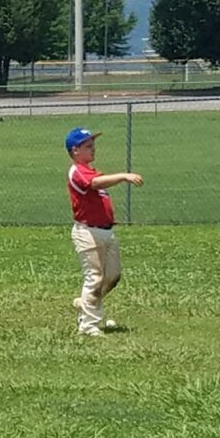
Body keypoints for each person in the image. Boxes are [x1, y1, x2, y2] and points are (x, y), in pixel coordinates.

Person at [65, 128, 144, 337]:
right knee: (95, 277)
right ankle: (88, 325)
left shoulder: (92, 170)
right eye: (88, 146)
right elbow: (94, 184)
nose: (93, 149)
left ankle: (86, 304)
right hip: (88, 232)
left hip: (105, 232)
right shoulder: (78, 171)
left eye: (93, 145)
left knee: (113, 276)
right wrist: (123, 176)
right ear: (75, 151)